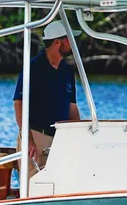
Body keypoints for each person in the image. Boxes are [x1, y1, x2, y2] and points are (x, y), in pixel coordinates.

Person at [13, 20, 81, 180]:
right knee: (33, 186)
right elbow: (18, 104)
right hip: (36, 137)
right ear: (58, 42)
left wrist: (79, 135)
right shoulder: (33, 68)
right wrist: (28, 139)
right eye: (69, 39)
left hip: (60, 140)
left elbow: (72, 108)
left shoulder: (67, 71)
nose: (73, 43)